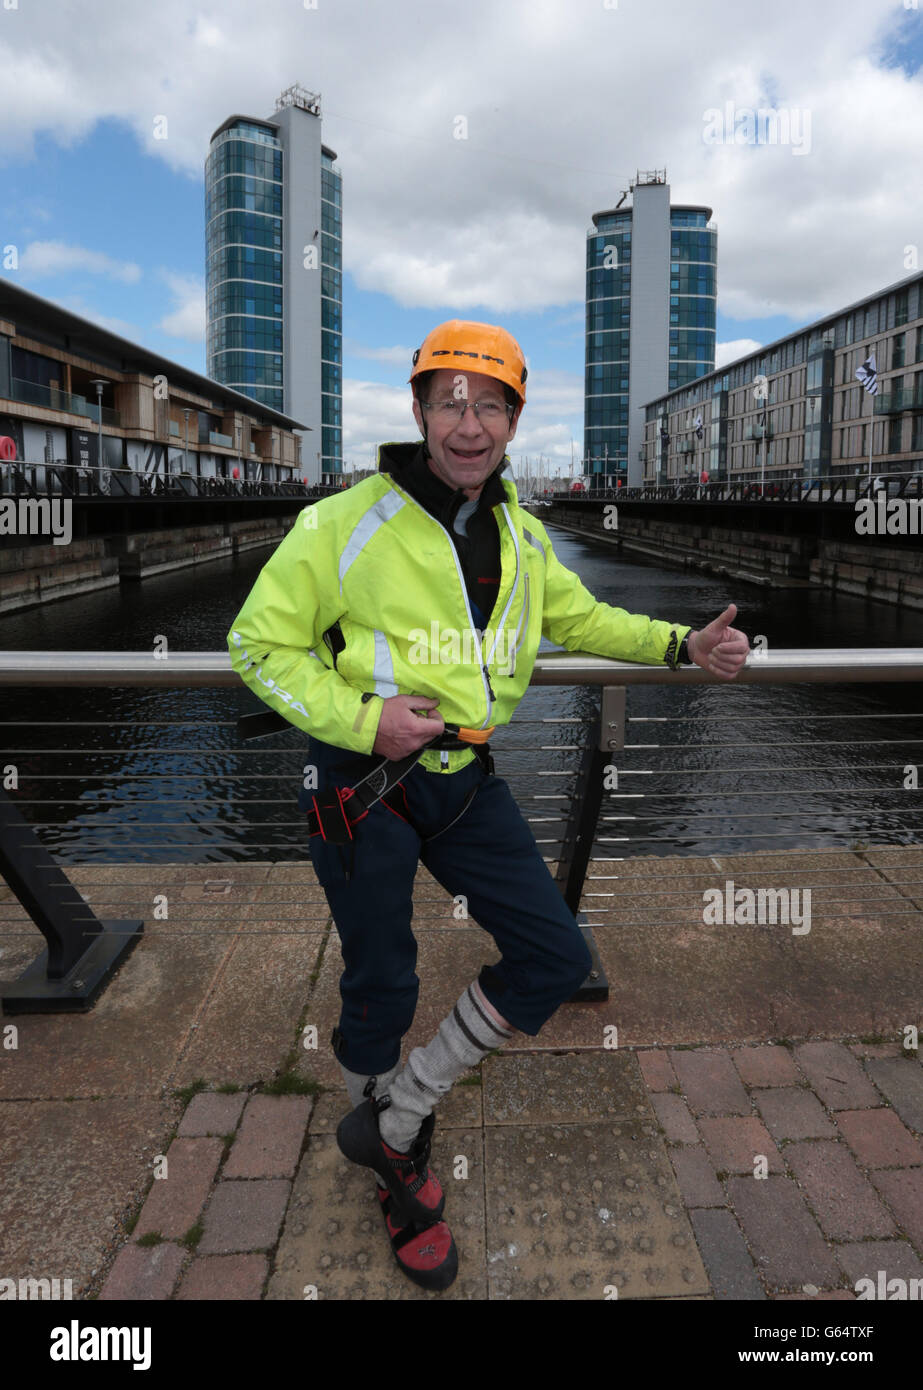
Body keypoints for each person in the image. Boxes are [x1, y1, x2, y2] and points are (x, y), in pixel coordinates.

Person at [226, 320, 750, 1292]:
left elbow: (581, 620)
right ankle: (396, 1166)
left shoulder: (517, 530)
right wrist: (361, 715)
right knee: (380, 978)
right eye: (449, 401)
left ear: (512, 421)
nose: (468, 423)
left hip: (466, 780)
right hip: (361, 784)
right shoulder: (342, 523)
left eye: (489, 404)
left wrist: (684, 647)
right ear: (419, 411)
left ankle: (396, 1115)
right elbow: (258, 647)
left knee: (552, 953)